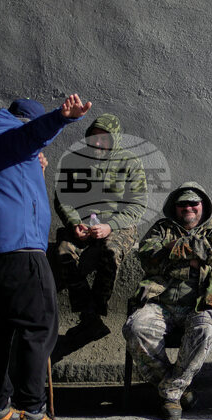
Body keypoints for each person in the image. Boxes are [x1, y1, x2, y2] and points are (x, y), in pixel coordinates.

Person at [0, 95, 92, 420]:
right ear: (21, 121)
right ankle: (34, 414)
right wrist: (62, 116)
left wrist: (32, 169)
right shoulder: (11, 136)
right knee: (39, 326)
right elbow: (31, 136)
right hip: (20, 252)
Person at [122, 182, 212, 420]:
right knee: (135, 328)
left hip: (202, 303)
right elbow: (146, 256)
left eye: (193, 203)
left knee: (209, 329)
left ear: (203, 205)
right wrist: (198, 255)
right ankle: (178, 390)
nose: (188, 208)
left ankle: (170, 392)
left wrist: (171, 253)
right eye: (182, 204)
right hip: (160, 304)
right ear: (174, 207)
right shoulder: (161, 228)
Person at [52, 113, 147, 358]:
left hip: (118, 227)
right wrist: (74, 224)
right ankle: (89, 317)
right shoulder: (75, 161)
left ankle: (97, 309)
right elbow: (63, 199)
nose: (97, 143)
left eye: (103, 139)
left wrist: (110, 226)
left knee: (110, 251)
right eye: (93, 138)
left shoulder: (130, 162)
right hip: (83, 225)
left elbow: (137, 205)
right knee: (63, 252)